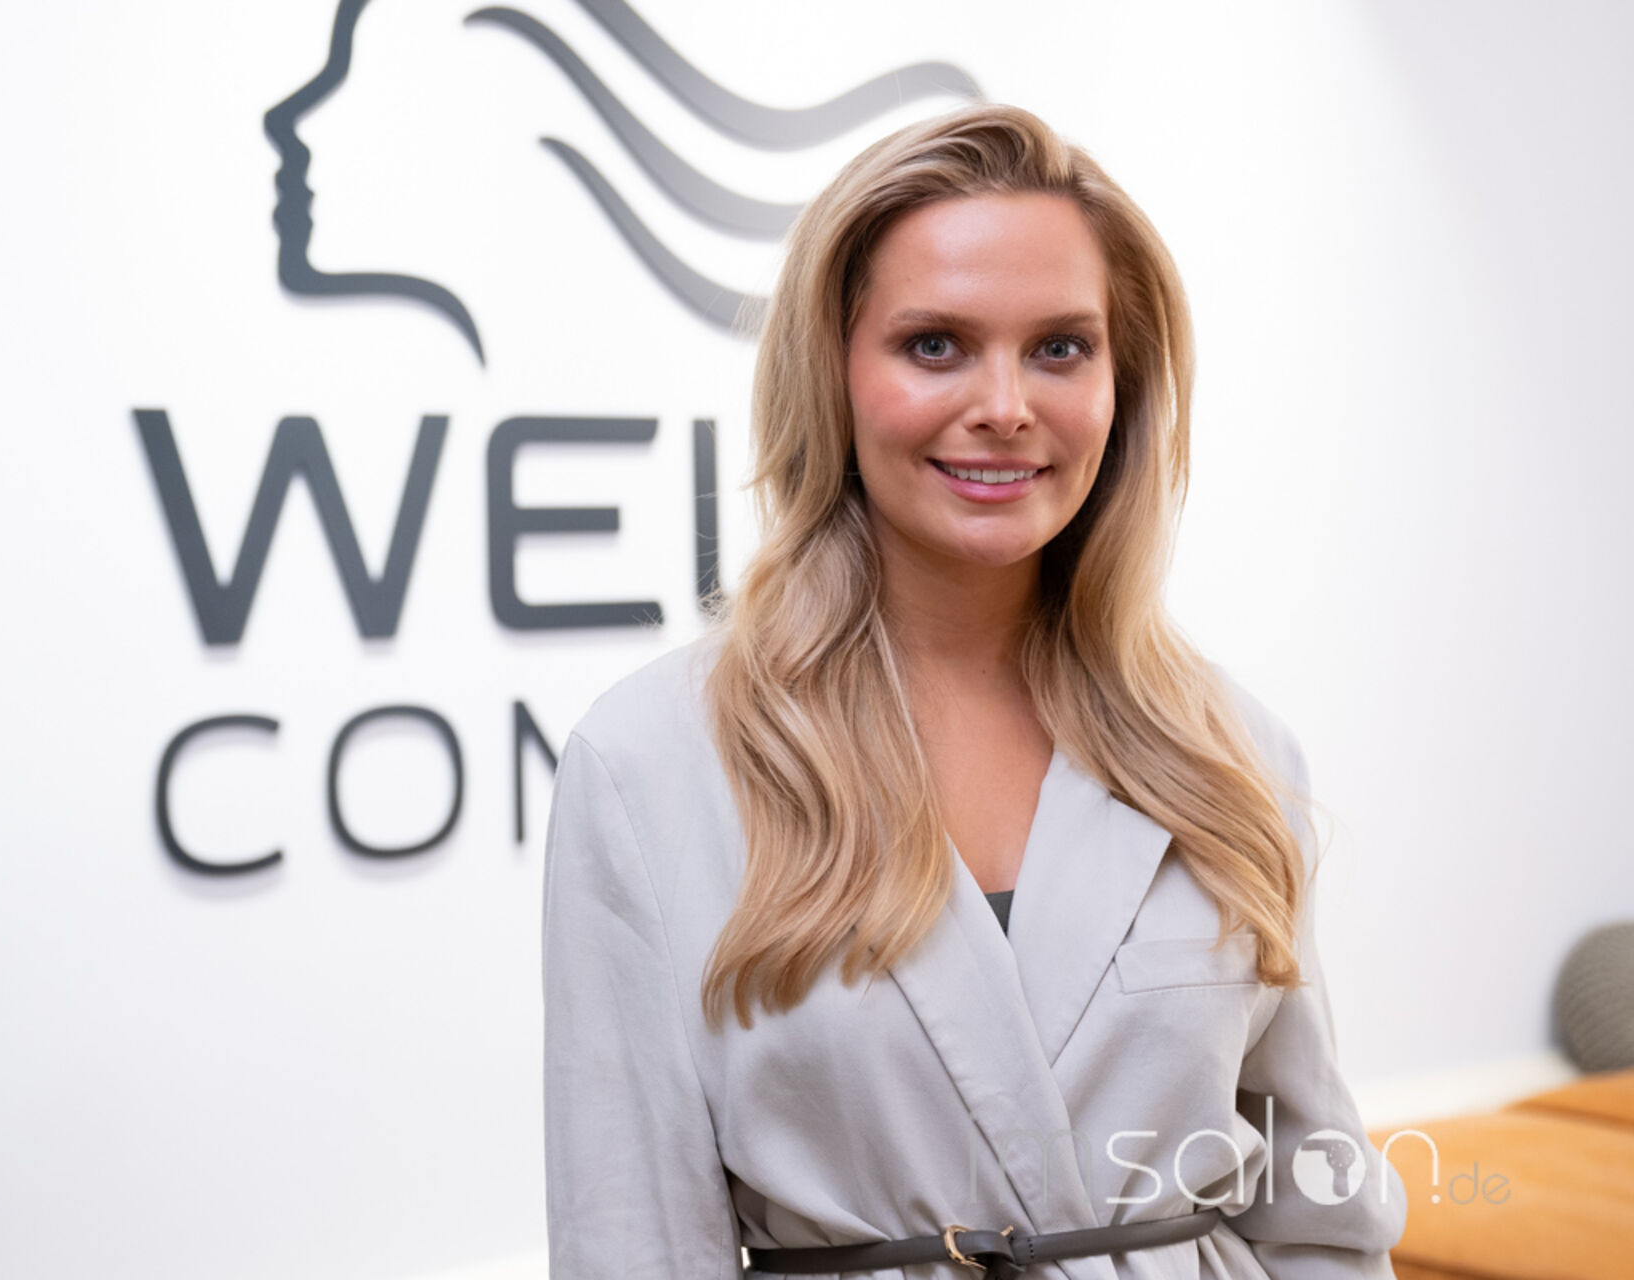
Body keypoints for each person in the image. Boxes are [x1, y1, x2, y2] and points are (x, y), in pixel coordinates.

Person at [540, 103, 1406, 1279]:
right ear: (833, 375)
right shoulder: (650, 762)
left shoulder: (1229, 744)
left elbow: (1321, 1212)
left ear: (1122, 381)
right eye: (936, 344)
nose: (1006, 405)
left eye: (1060, 347)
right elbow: (631, 1240)